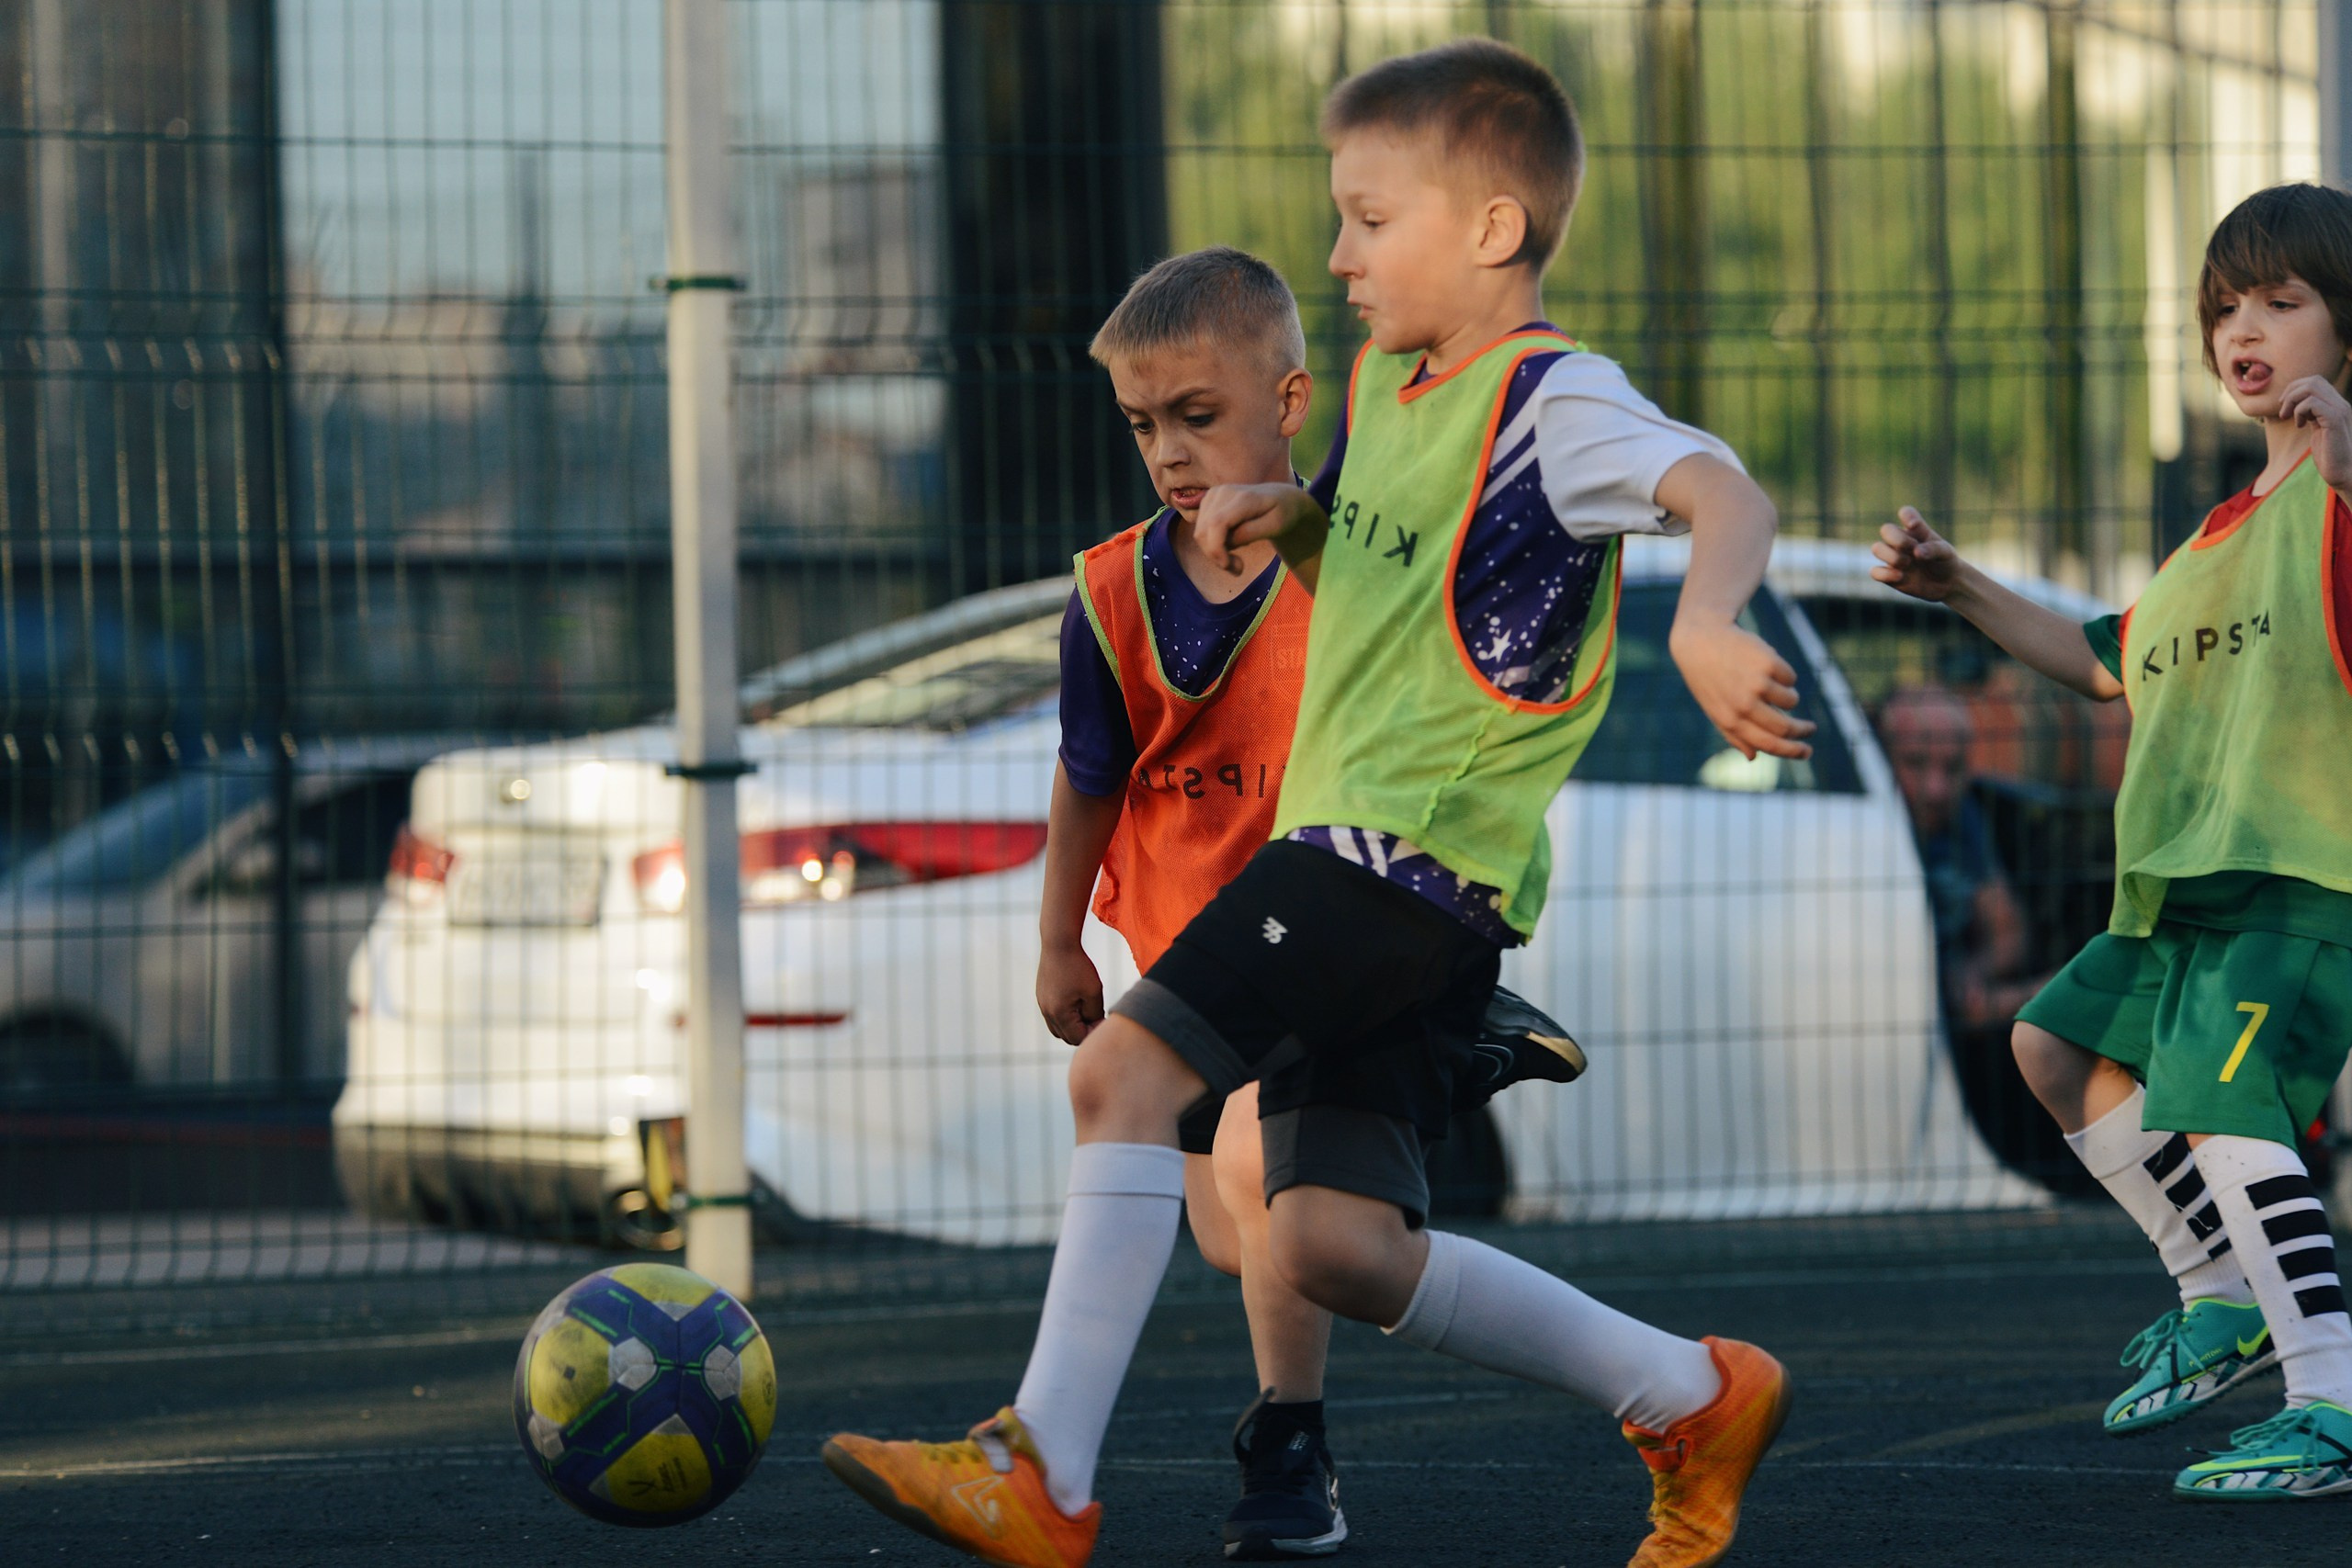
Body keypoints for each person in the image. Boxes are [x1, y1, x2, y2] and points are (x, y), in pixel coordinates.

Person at [821, 39, 1810, 1567]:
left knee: (1123, 1076)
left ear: (1490, 229)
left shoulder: (1553, 399)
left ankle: (1045, 1475)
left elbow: (1723, 489)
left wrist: (1708, 615)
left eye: (1368, 218)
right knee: (1329, 1244)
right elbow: (1399, 591)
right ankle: (1688, 1391)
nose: (1338, 254)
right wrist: (1307, 531)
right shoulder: (1397, 390)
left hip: (1394, 861)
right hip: (1399, 891)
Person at [1041, 244, 1585, 1559]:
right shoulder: (1111, 590)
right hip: (1186, 950)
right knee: (1246, 1244)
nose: (1169, 451)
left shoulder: (1345, 564)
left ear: (1290, 405)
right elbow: (1088, 775)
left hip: (1329, 930)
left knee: (1262, 1177)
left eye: (1198, 417)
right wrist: (1059, 935)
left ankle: (1286, 1446)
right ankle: (1471, 1051)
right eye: (1143, 426)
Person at [1872, 182, 2352, 1499]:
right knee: (2052, 1041)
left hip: (2295, 883)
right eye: (2223, 308)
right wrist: (1959, 581)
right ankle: (2218, 1294)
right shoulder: (2210, 542)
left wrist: (2349, 452)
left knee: (2227, 1113)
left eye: (2281, 302)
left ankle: (2331, 1393)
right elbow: (2101, 663)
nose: (2243, 329)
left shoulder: (2339, 502)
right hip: (2180, 895)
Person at [1878, 685, 2045, 1032]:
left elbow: (2008, 928)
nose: (1937, 789)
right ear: (1879, 758)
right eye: (1915, 763)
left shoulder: (1962, 816)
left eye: (1953, 768)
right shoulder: (1860, 829)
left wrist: (1970, 973)